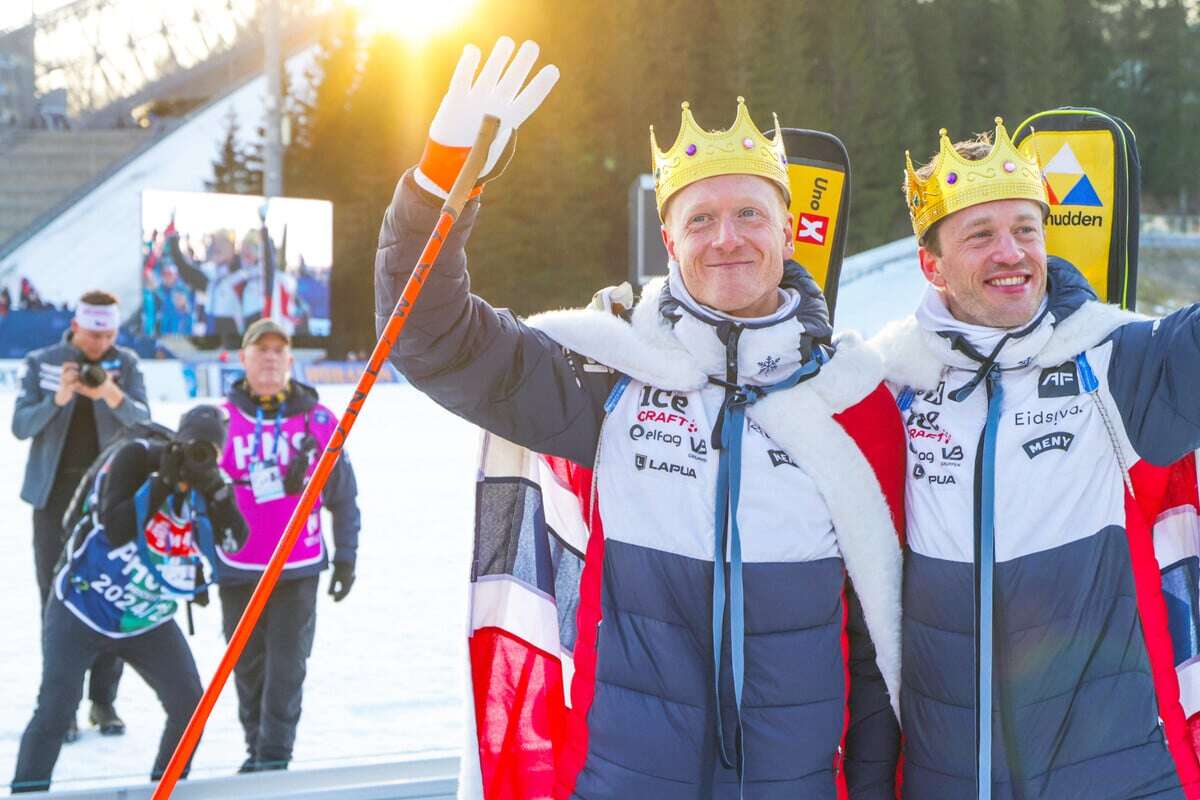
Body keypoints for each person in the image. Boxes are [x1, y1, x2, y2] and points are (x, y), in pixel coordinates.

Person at [375, 38, 905, 797]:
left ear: (790, 231)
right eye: (701, 219)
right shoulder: (608, 375)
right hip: (628, 776)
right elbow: (433, 339)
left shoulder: (851, 397)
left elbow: (878, 643)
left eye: (750, 213)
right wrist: (440, 180)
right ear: (669, 240)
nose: (727, 237)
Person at [870, 119, 1200, 798]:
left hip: (1119, 775)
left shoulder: (1114, 360)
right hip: (949, 778)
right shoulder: (891, 384)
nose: (1011, 252)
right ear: (931, 264)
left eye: (1026, 229)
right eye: (980, 235)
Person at [10, 406, 248, 793]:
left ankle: (165, 788)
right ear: (176, 440)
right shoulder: (137, 457)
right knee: (56, 708)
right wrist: (162, 483)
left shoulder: (209, 482)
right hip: (82, 606)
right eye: (192, 447)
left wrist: (218, 492)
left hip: (145, 617)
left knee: (190, 704)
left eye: (210, 452)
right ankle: (28, 792)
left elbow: (235, 543)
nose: (198, 457)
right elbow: (115, 527)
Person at [216, 318, 361, 773]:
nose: (271, 358)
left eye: (280, 350)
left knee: (286, 670)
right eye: (262, 350)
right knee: (248, 669)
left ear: (291, 360)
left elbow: (344, 494)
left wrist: (346, 557)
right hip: (238, 566)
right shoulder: (220, 419)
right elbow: (197, 497)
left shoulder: (318, 420)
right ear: (244, 358)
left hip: (297, 567)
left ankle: (274, 761)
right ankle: (254, 749)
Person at [12, 290, 150, 740]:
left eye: (109, 333)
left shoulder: (125, 364)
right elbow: (20, 427)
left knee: (110, 599)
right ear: (76, 325)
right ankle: (62, 703)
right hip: (53, 501)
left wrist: (110, 393)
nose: (101, 343)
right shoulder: (41, 362)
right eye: (95, 333)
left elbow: (144, 422)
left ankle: (103, 700)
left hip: (110, 500)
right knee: (56, 605)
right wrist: (60, 397)